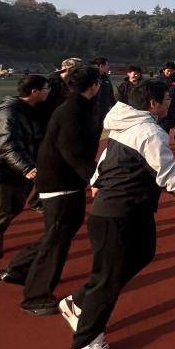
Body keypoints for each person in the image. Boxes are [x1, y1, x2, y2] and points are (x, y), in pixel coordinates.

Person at [61, 80, 175, 349]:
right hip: (118, 213)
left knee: (143, 252)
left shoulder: (128, 123)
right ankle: (84, 347)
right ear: (152, 103)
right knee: (108, 279)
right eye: (166, 99)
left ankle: (78, 302)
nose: (170, 103)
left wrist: (95, 181)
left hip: (132, 210)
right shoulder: (149, 132)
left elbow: (106, 156)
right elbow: (165, 170)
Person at [14, 66, 103, 315]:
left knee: (60, 231)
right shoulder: (72, 111)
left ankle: (19, 268)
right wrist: (95, 178)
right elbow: (72, 151)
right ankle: (35, 296)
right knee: (57, 239)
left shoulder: (78, 107)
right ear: (93, 85)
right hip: (60, 182)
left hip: (65, 181)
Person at [0, 74, 49, 282]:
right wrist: (27, 167)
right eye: (46, 88)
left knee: (7, 211)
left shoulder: (29, 110)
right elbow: (7, 145)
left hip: (14, 172)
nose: (49, 91)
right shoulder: (9, 114)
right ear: (35, 91)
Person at [91, 58, 116, 129]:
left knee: (99, 130)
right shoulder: (91, 78)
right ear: (101, 66)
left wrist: (115, 108)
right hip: (93, 111)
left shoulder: (106, 79)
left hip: (104, 111)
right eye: (107, 65)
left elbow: (111, 95)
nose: (108, 67)